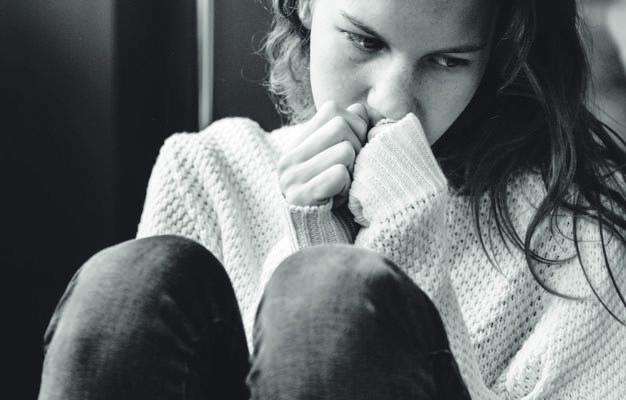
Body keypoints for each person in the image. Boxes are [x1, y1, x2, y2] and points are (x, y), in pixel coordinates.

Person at [38, 0, 626, 399]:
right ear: (304, 6)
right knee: (127, 283)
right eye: (364, 40)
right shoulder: (208, 171)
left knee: (330, 295)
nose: (393, 103)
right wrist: (305, 237)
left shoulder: (574, 230)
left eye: (449, 61)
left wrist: (406, 249)